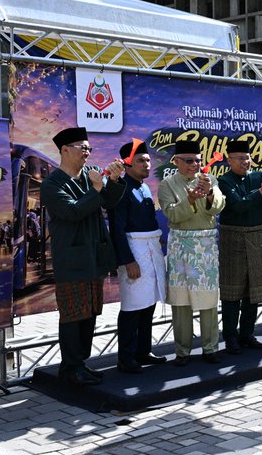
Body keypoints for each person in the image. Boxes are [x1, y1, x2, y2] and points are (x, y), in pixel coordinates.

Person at [41, 127, 126, 387]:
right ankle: (70, 366)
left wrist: (113, 180)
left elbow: (109, 203)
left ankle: (81, 363)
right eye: (82, 147)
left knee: (90, 312)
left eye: (89, 148)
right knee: (72, 314)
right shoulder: (51, 184)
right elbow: (72, 211)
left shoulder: (91, 177)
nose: (87, 152)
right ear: (65, 150)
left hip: (94, 255)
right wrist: (98, 189)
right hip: (72, 258)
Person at [159, 139, 226, 365]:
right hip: (180, 246)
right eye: (188, 161)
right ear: (176, 161)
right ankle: (182, 351)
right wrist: (189, 200)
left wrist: (208, 195)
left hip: (205, 246)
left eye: (198, 160)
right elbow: (172, 215)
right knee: (181, 302)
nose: (194, 165)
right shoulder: (167, 184)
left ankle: (210, 348)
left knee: (208, 299)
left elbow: (218, 207)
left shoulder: (210, 179)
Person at [108, 140, 167, 374]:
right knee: (133, 306)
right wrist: (127, 260)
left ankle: (144, 350)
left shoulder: (143, 186)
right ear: (127, 163)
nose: (147, 164)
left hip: (150, 248)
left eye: (148, 160)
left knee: (148, 303)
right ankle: (126, 357)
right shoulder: (120, 188)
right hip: (134, 251)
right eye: (141, 160)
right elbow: (117, 227)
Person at [217, 140, 262, 353]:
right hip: (232, 239)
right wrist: (261, 193)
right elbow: (238, 205)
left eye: (247, 157)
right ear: (229, 160)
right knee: (232, 293)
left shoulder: (259, 176)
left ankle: (247, 334)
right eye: (240, 158)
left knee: (254, 291)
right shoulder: (223, 181)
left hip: (257, 237)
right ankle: (230, 337)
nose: (245, 162)